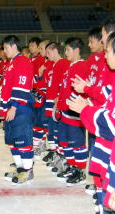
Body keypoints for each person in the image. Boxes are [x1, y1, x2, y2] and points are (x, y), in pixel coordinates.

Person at [67, 32, 115, 214]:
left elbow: (111, 124)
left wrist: (85, 109)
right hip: (100, 124)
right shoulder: (97, 62)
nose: (105, 51)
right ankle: (101, 197)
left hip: (105, 133)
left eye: (108, 49)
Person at [0, 35, 34, 185]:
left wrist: (14, 106)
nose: (4, 51)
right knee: (12, 140)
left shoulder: (23, 62)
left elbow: (22, 86)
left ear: (14, 46)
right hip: (10, 108)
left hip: (20, 108)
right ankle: (20, 168)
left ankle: (28, 171)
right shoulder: (11, 63)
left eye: (6, 48)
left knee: (22, 139)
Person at [55, 37, 89, 186]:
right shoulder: (70, 65)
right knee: (64, 141)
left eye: (68, 49)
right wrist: (59, 100)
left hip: (74, 112)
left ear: (77, 50)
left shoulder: (82, 66)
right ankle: (72, 166)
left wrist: (71, 103)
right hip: (64, 111)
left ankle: (80, 171)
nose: (65, 52)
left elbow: (80, 90)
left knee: (77, 142)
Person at [42, 42, 70, 171]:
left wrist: (59, 99)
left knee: (59, 132)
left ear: (54, 50)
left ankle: (63, 159)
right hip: (51, 102)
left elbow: (64, 84)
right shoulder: (54, 65)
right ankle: (58, 156)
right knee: (52, 131)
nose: (47, 56)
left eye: (48, 52)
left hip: (57, 103)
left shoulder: (63, 63)